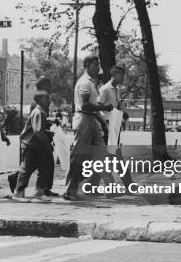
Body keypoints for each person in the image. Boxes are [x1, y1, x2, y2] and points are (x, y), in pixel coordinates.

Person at [63, 56, 112, 200]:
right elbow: (85, 106)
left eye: (99, 65)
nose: (98, 68)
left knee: (101, 155)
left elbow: (94, 109)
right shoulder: (84, 82)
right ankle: (70, 190)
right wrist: (103, 107)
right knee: (79, 157)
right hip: (83, 120)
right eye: (95, 65)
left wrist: (103, 123)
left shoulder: (92, 84)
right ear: (87, 66)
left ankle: (91, 187)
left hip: (92, 120)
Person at [11, 91, 54, 202]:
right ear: (39, 100)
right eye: (46, 98)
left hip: (37, 145)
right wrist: (47, 142)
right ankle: (18, 193)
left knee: (44, 168)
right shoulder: (38, 112)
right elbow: (38, 132)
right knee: (26, 168)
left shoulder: (41, 112)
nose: (49, 100)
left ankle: (39, 192)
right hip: (31, 144)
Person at [98, 65, 132, 189]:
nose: (123, 77)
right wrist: (105, 124)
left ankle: (92, 185)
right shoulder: (105, 89)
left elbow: (113, 107)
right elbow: (98, 107)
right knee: (116, 157)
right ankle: (128, 186)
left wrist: (121, 114)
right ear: (115, 74)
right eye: (122, 75)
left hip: (113, 127)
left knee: (109, 158)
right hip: (108, 128)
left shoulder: (114, 89)